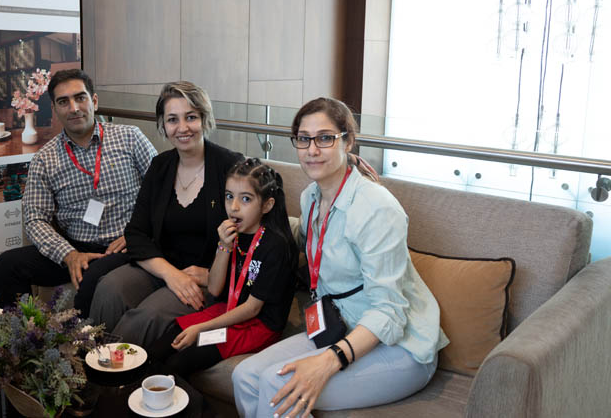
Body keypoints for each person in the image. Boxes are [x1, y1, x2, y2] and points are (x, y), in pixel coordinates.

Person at [232, 98, 449, 418]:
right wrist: (244, 227)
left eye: (325, 138)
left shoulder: (377, 208)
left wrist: (328, 361)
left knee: (276, 386)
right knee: (245, 377)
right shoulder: (311, 197)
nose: (312, 149)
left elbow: (389, 313)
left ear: (348, 141)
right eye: (303, 139)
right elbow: (309, 243)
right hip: (340, 324)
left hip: (400, 345)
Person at [89, 81, 243, 347]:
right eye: (173, 119)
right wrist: (171, 274)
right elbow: (136, 233)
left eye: (191, 117)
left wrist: (216, 275)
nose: (182, 128)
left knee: (144, 318)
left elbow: (253, 238)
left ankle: (112, 371)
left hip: (206, 280)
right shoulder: (160, 166)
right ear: (163, 125)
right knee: (108, 289)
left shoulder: (231, 166)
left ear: (205, 119)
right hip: (162, 269)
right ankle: (88, 362)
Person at [0, 69, 157, 314]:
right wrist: (68, 254)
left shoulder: (130, 138)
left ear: (94, 101)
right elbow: (35, 219)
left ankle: (79, 337)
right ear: (55, 109)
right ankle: (24, 333)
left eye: (80, 98)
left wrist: (139, 232)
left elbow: (162, 190)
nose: (74, 108)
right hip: (76, 246)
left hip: (125, 245)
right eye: (63, 102)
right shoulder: (45, 158)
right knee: (7, 265)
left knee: (91, 279)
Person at [148, 158, 298, 378]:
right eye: (229, 196)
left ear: (267, 205)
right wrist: (224, 246)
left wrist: (201, 328)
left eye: (245, 199)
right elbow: (215, 288)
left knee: (178, 362)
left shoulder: (276, 245)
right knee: (162, 345)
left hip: (257, 324)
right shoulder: (231, 231)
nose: (233, 207)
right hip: (229, 309)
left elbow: (252, 309)